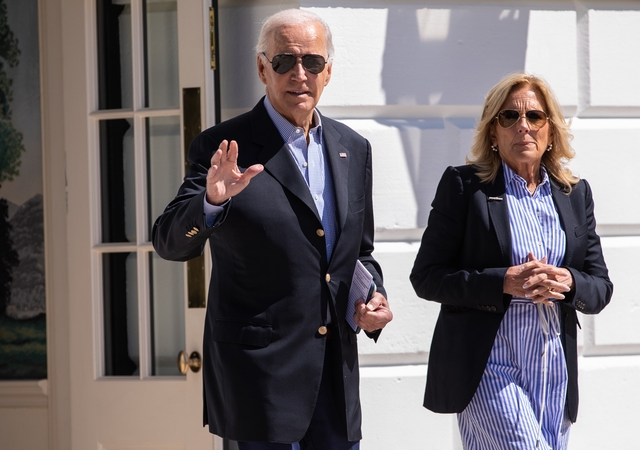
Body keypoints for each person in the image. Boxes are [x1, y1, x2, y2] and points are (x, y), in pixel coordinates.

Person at [152, 9, 392, 450]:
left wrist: (372, 295)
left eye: (312, 62)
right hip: (258, 382)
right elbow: (169, 242)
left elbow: (359, 253)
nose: (299, 73)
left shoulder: (353, 149)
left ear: (329, 71)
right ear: (263, 67)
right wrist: (212, 202)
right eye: (284, 61)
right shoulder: (222, 146)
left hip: (335, 381)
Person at [409, 73, 612, 450]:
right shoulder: (465, 186)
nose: (523, 126)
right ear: (492, 131)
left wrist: (567, 281)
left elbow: (600, 287)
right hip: (486, 367)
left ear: (551, 130)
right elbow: (427, 277)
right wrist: (503, 282)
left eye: (535, 117)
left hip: (553, 371)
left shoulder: (574, 194)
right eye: (509, 117)